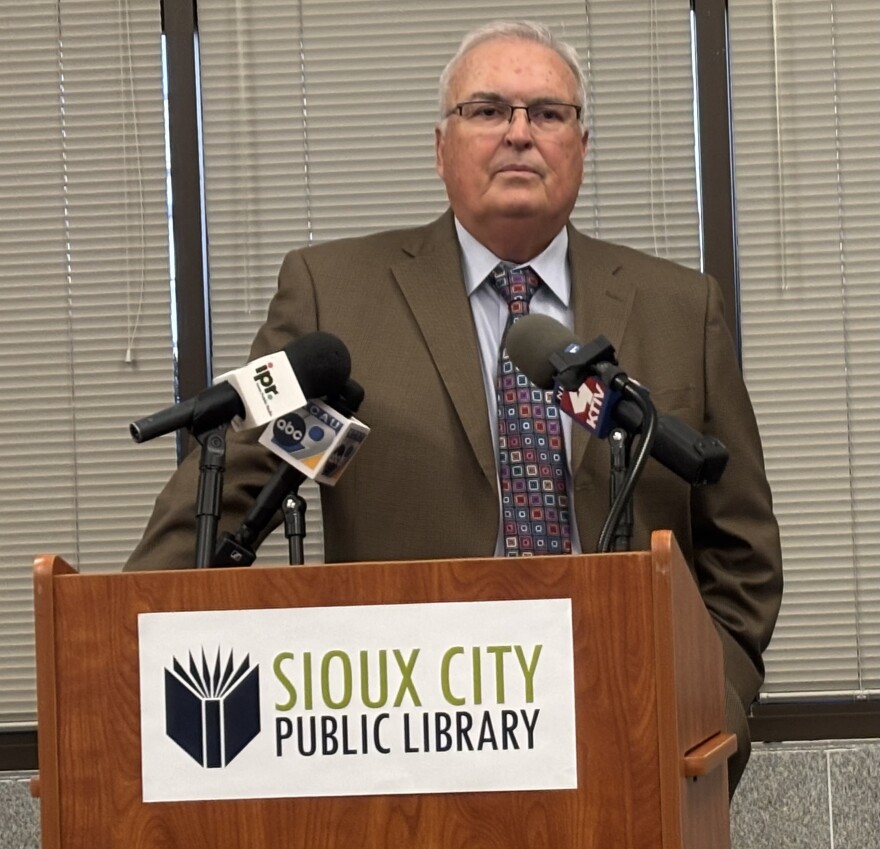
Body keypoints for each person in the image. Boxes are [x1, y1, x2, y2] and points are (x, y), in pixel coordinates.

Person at [125, 20, 783, 794]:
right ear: (441, 148)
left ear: (581, 144)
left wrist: (713, 702)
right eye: (487, 110)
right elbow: (232, 490)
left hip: (630, 729)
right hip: (408, 744)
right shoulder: (337, 296)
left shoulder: (679, 307)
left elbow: (741, 548)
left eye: (548, 112)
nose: (518, 133)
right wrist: (117, 652)